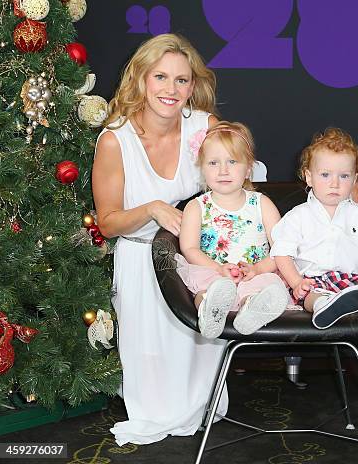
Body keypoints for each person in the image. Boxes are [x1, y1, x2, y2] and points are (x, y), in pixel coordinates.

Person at [92, 33, 228, 446]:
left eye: (182, 80)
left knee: (203, 393)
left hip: (197, 262)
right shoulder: (115, 140)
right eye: (161, 77)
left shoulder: (205, 127)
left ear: (193, 85)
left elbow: (236, 180)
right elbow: (109, 223)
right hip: (140, 265)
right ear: (141, 79)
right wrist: (152, 208)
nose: (172, 90)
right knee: (155, 403)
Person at [271, 128, 358, 330]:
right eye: (325, 175)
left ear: (354, 180)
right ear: (309, 177)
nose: (334, 183)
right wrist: (296, 281)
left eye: (343, 176)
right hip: (312, 280)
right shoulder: (297, 216)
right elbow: (282, 253)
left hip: (353, 281)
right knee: (311, 295)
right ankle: (322, 307)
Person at [175, 121, 289, 337]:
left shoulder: (261, 203)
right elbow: (190, 248)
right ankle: (209, 312)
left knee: (265, 286)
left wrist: (257, 269)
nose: (223, 171)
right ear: (202, 168)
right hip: (213, 270)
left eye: (232, 162)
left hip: (253, 274)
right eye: (213, 163)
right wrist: (218, 269)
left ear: (248, 168)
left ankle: (252, 309)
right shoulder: (196, 207)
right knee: (208, 290)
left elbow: (281, 248)